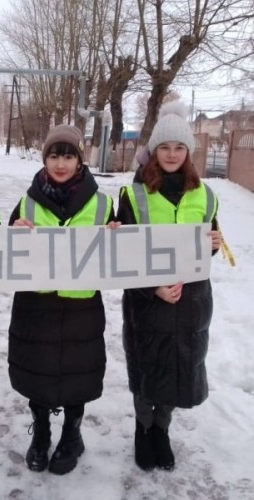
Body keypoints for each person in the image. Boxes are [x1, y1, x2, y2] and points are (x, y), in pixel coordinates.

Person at [116, 101, 221, 472]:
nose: (172, 154)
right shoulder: (134, 194)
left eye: (179, 148)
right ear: (154, 152)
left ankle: (162, 429)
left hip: (191, 301)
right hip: (148, 301)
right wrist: (153, 289)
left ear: (188, 152)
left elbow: (210, 243)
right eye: (165, 147)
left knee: (179, 368)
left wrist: (214, 244)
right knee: (148, 370)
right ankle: (144, 429)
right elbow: (123, 254)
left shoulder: (206, 195)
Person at [7, 124, 116, 475]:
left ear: (80, 161)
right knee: (36, 373)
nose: (61, 163)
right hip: (36, 307)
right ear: (45, 159)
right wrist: (13, 236)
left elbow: (124, 258)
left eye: (68, 156)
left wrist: (118, 235)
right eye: (54, 155)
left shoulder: (103, 203)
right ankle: (40, 433)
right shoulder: (25, 202)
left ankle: (72, 434)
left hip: (80, 307)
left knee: (77, 375)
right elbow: (3, 257)